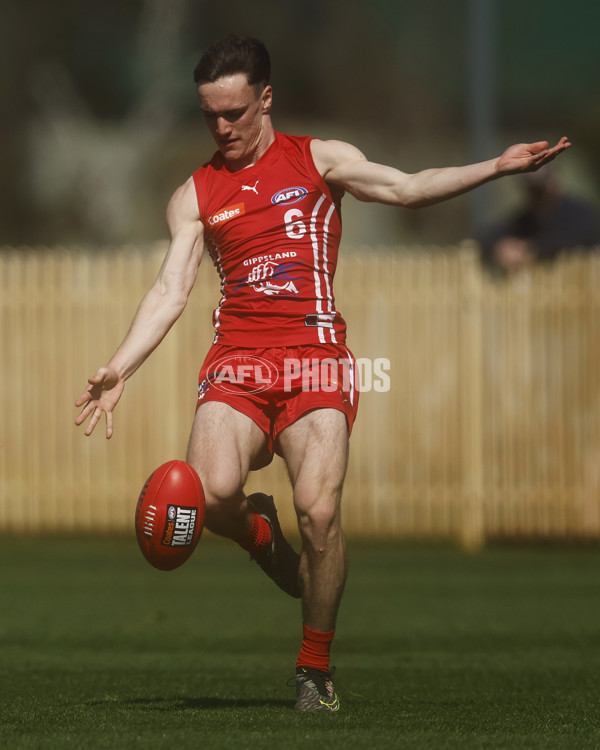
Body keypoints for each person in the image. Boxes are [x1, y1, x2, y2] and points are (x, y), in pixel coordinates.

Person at [75, 35, 570, 712]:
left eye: (235, 112)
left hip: (315, 362)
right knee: (213, 493)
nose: (222, 128)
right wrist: (120, 366)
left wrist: (497, 167)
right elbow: (170, 290)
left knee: (321, 511)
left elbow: (406, 188)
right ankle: (257, 534)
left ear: (265, 98)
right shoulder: (195, 194)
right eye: (210, 115)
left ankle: (314, 669)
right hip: (237, 363)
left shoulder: (320, 160)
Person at [479, 165, 599, 275]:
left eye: (540, 188)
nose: (536, 194)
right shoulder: (525, 218)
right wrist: (501, 247)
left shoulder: (579, 213)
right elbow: (486, 238)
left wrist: (532, 250)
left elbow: (580, 241)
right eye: (532, 188)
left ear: (555, 181)